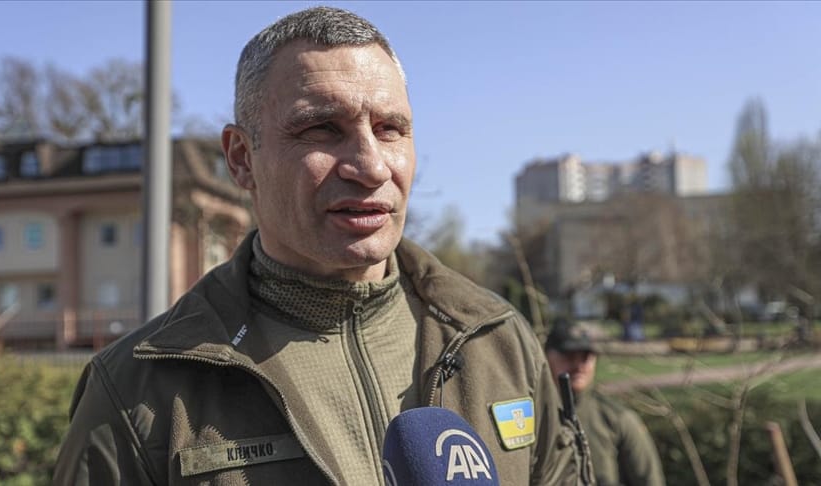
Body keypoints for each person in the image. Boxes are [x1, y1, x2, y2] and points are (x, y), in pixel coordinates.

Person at [54, 7, 587, 485]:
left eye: (390, 128)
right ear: (241, 158)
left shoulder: (497, 339)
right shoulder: (136, 390)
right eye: (322, 129)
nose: (372, 166)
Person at [545, 320, 666, 486]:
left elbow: (649, 480)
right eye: (569, 356)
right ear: (546, 357)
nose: (578, 365)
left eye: (585, 357)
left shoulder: (616, 418)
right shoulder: (533, 417)